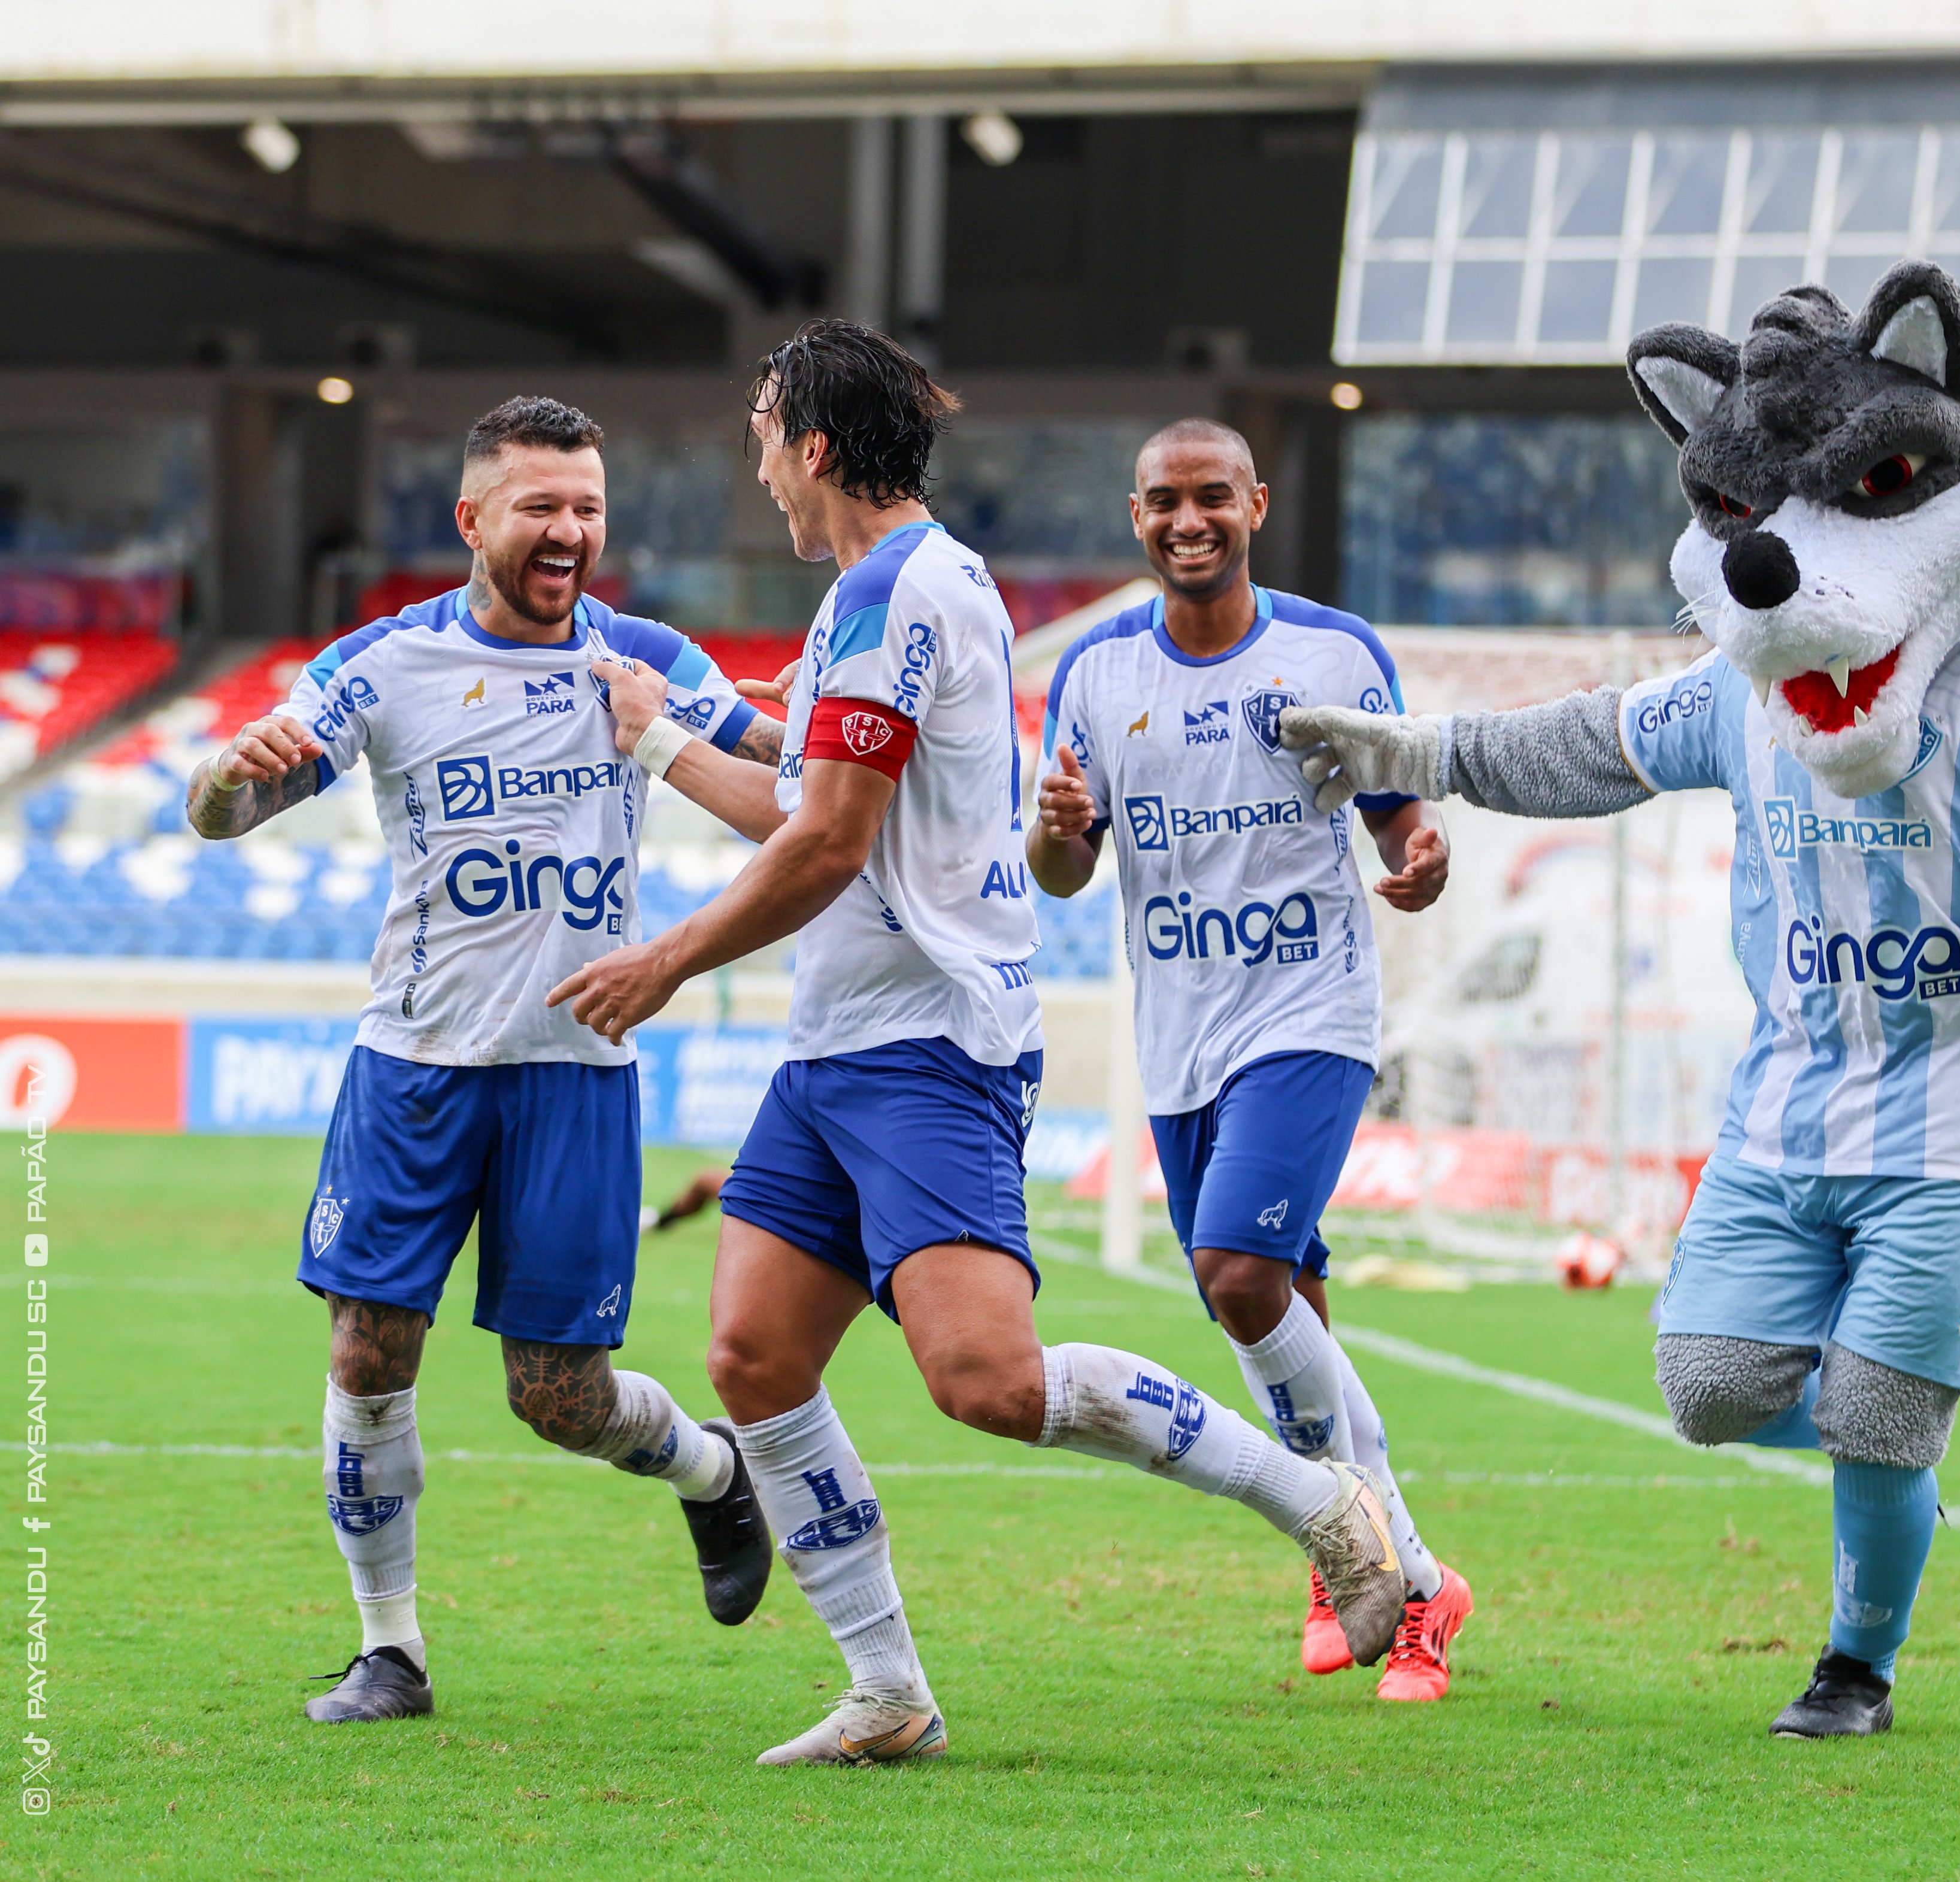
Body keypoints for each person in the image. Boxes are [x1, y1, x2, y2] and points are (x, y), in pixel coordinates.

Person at [1280, 262, 1960, 1738]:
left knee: (1872, 1425)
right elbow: (1579, 745)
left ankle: (1854, 1662)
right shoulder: (1741, 695)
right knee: (1707, 1386)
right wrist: (1406, 753)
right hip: (1785, 1114)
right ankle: (1902, 1399)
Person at [547, 321, 1407, 1768]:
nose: (757, 461)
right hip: (843, 1042)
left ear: (813, 446)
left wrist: (668, 950)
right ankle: (889, 1691)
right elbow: (798, 781)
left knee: (987, 1383)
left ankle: (1323, 1506)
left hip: (930, 1040)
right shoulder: (866, 601)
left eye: (766, 431)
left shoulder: (901, 592)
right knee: (754, 1356)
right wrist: (676, 722)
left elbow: (822, 838)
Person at [186, 396, 783, 1724]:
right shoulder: (380, 663)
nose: (568, 531)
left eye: (586, 508)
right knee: (365, 1353)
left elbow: (787, 778)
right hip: (413, 1062)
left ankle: (710, 1474)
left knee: (558, 1397)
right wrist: (230, 777)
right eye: (540, 507)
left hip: (575, 1067)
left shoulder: (648, 657)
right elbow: (231, 809)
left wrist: (743, 729)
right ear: (472, 520)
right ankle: (388, 1648)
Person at [1026, 419, 1472, 1700]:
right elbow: (1064, 866)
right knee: (1282, 1290)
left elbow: (1404, 826)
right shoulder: (1100, 677)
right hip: (1178, 1040)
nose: (1188, 518)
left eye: (1210, 495)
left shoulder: (1330, 652)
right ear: (1135, 515)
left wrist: (1420, 862)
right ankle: (1365, 1552)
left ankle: (1406, 1566)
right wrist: (1058, 831)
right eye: (1163, 499)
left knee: (1235, 1272)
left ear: (1254, 503)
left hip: (1308, 1013)